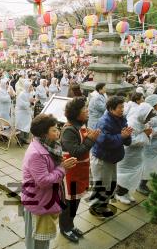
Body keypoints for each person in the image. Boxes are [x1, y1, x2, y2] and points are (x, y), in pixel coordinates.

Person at [22, 114, 77, 249]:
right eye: (53, 130)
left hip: (45, 198)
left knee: (43, 239)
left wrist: (60, 165)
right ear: (44, 134)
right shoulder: (36, 153)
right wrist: (62, 168)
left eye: (57, 128)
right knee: (37, 240)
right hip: (39, 200)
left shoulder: (48, 146)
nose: (58, 131)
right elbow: (43, 181)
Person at [60, 97, 100, 243]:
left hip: (80, 171)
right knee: (69, 203)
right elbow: (76, 151)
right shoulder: (69, 130)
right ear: (77, 114)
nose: (87, 111)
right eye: (84, 109)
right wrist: (90, 140)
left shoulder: (80, 126)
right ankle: (65, 227)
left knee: (76, 201)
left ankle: (70, 224)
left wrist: (91, 138)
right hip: (71, 173)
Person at [89, 96, 133, 217]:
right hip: (102, 158)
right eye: (120, 107)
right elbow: (105, 141)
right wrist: (122, 137)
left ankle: (103, 206)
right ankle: (96, 209)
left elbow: (126, 138)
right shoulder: (104, 122)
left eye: (123, 106)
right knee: (102, 186)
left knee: (110, 185)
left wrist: (127, 136)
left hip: (112, 158)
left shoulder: (121, 119)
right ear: (111, 109)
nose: (122, 109)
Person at [116, 102, 155, 204]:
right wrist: (145, 134)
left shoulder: (143, 122)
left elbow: (148, 134)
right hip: (128, 155)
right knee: (124, 175)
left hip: (137, 155)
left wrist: (148, 134)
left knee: (133, 175)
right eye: (148, 117)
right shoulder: (131, 123)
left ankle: (127, 192)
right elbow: (130, 141)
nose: (149, 119)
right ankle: (120, 194)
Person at [16, 80, 35, 144]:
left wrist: (32, 102)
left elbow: (31, 103)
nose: (31, 88)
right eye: (30, 87)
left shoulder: (30, 93)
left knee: (27, 126)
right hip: (21, 113)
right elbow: (21, 104)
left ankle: (25, 139)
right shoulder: (22, 94)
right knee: (21, 126)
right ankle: (19, 140)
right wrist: (29, 102)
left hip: (27, 113)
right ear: (27, 87)